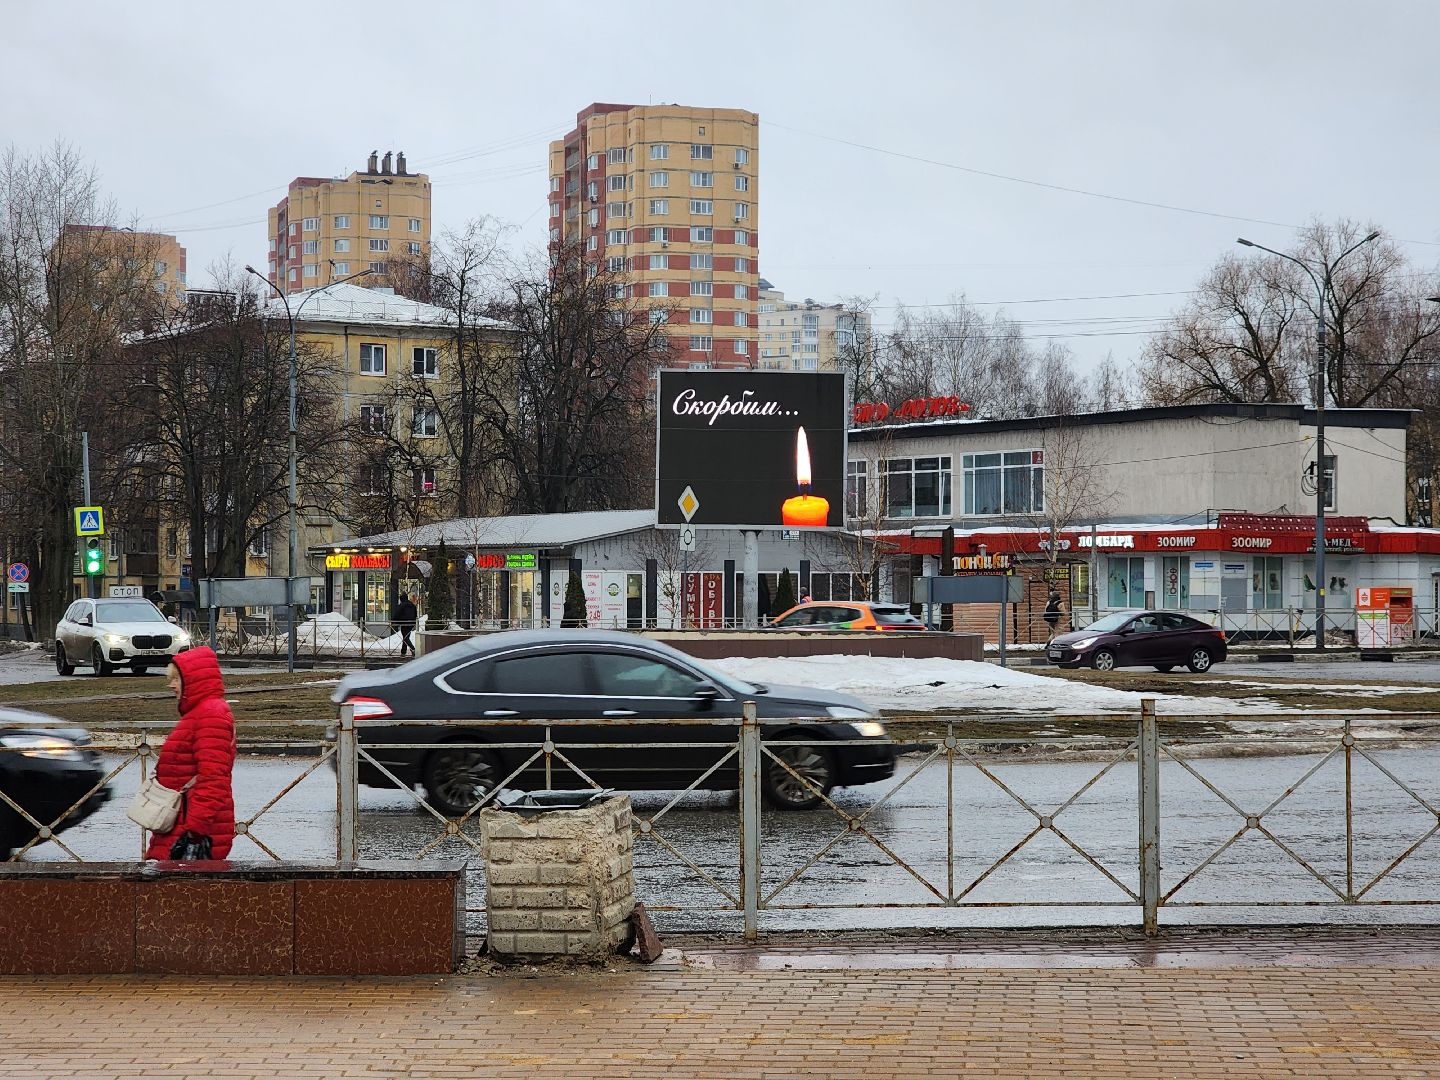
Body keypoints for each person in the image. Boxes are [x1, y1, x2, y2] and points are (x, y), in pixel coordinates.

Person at [144, 646, 236, 862]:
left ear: (193, 680)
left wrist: (194, 831)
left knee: (179, 892)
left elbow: (214, 778)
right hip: (182, 822)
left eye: (176, 679)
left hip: (192, 828)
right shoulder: (200, 713)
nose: (171, 685)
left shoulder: (210, 715)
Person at [393, 592, 418, 657]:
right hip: (411, 624)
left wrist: (394, 621)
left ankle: (413, 649)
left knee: (406, 638)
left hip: (404, 623)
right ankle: (403, 652)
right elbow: (415, 614)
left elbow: (397, 614)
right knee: (406, 637)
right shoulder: (412, 605)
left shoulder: (402, 605)